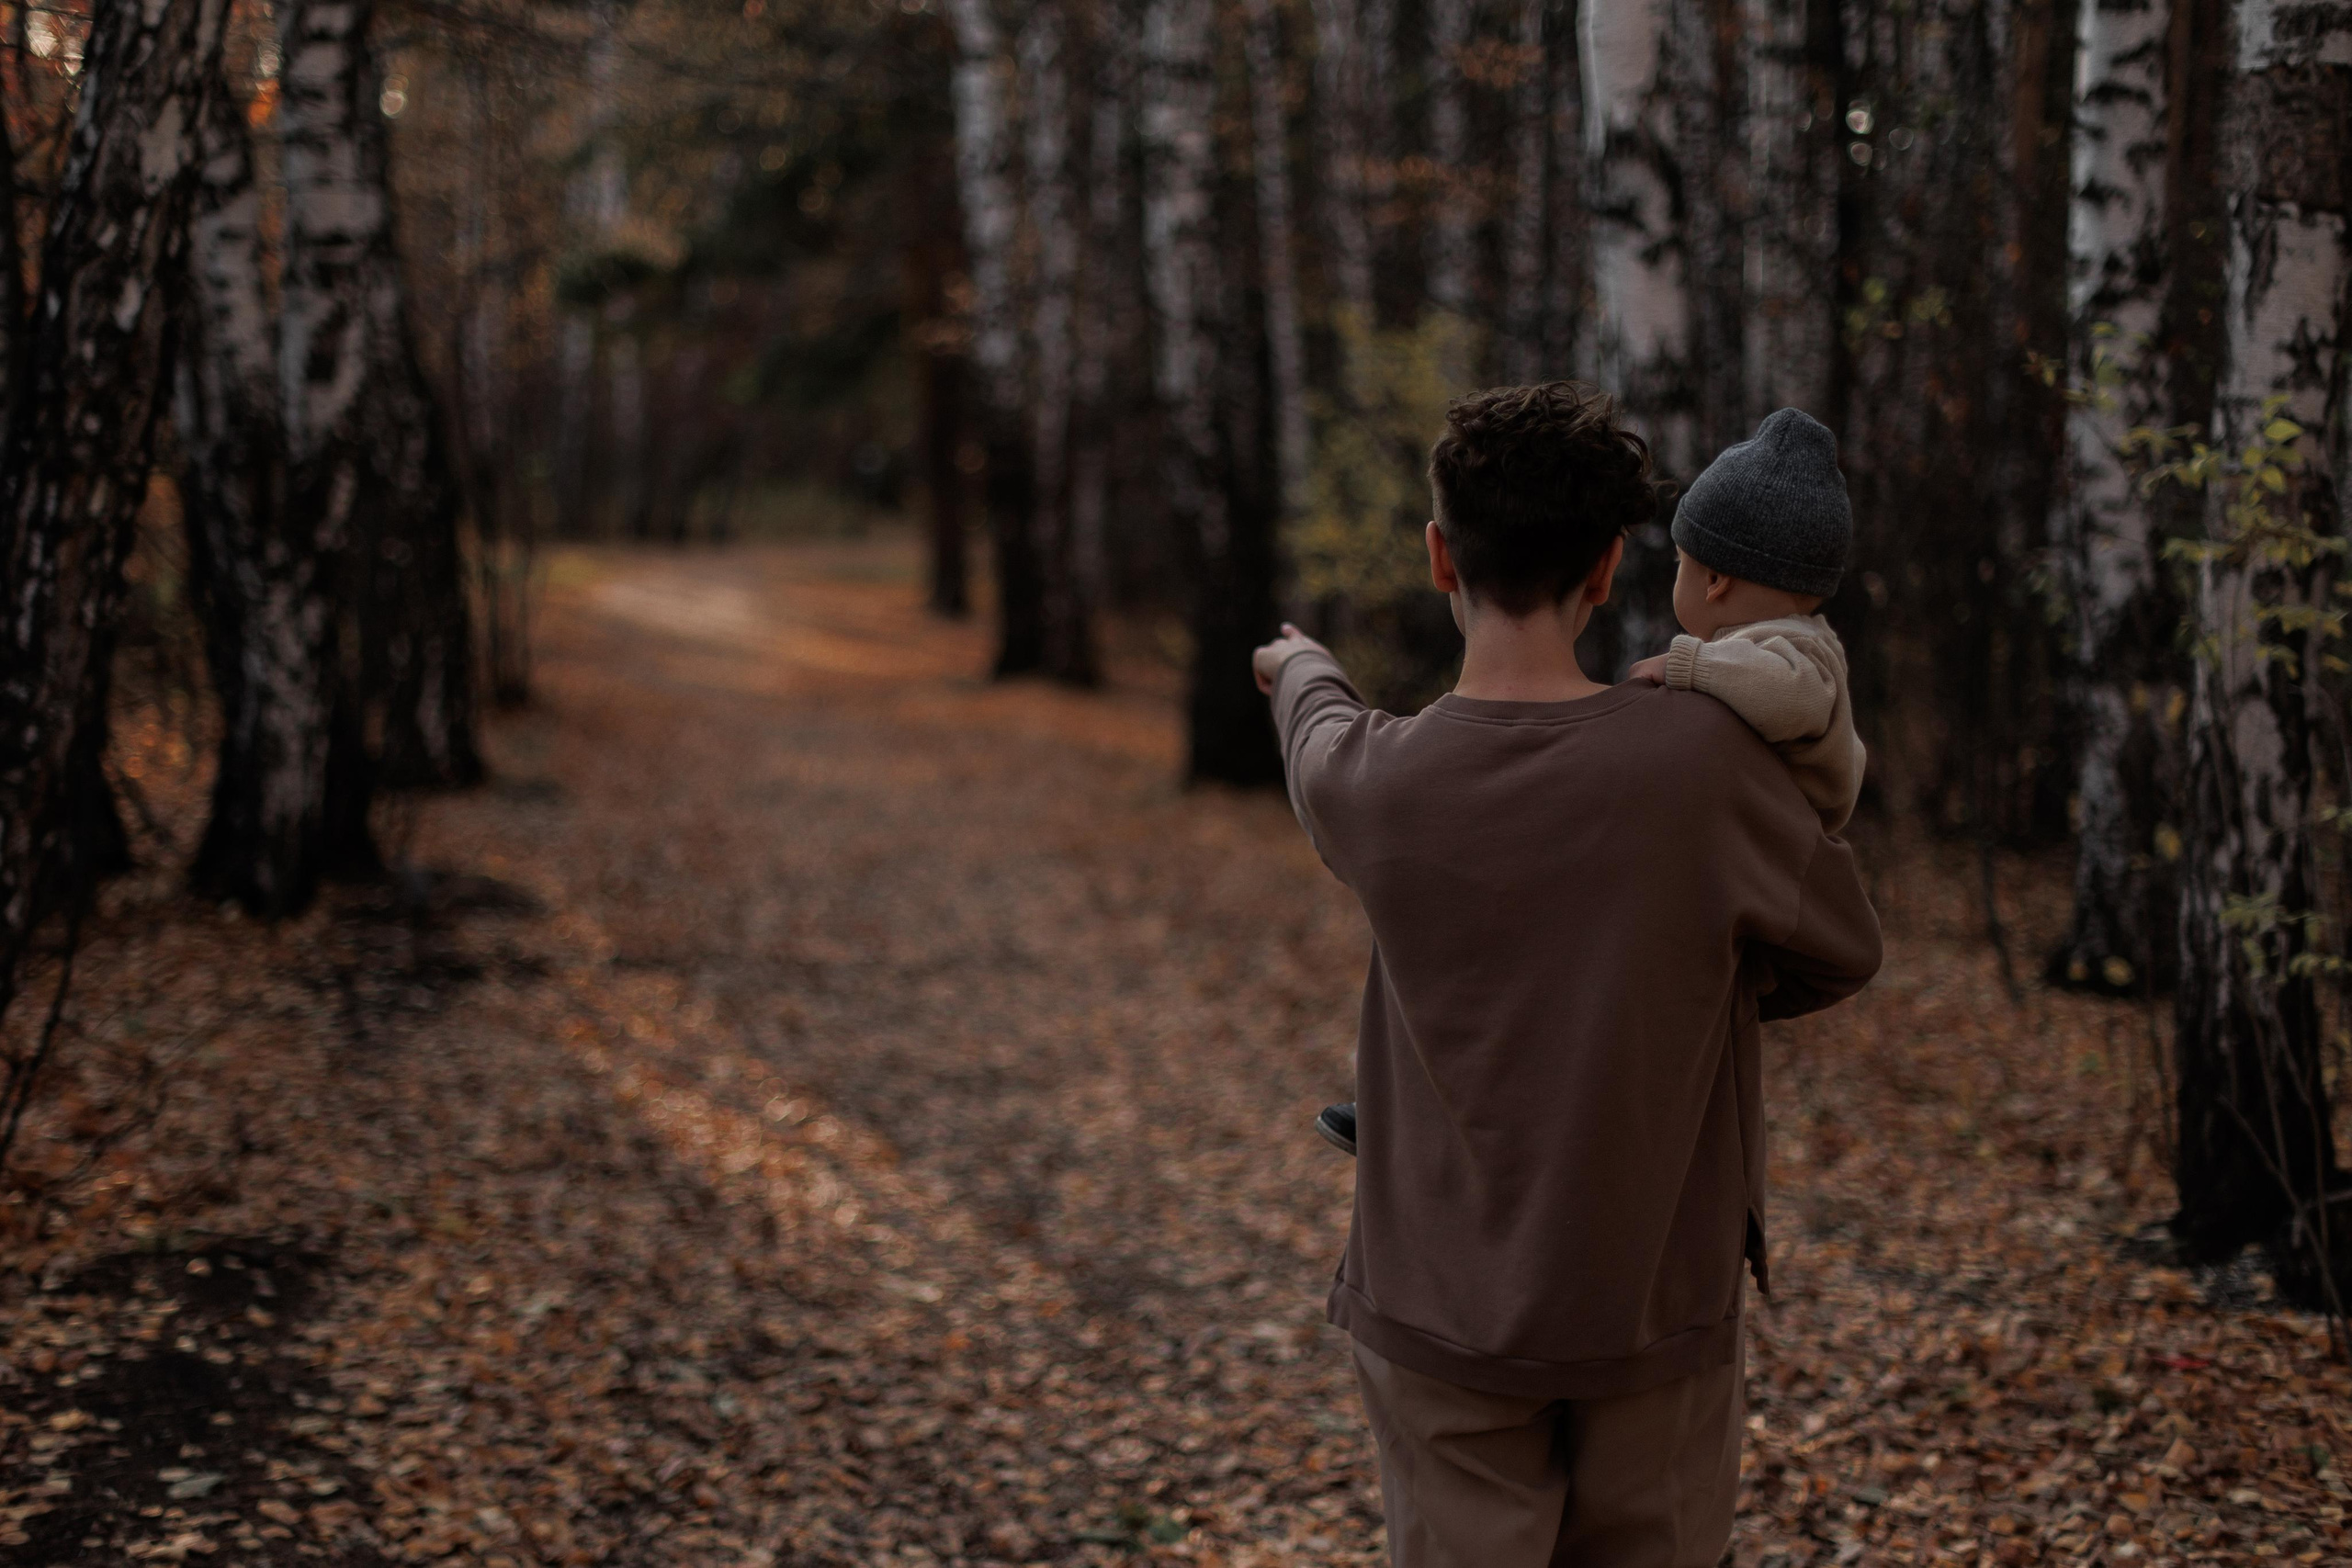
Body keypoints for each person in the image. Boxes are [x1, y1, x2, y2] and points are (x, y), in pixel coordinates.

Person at [1251, 381, 1882, 1568]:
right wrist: (1685, 986)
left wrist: (1296, 667)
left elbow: (1317, 734)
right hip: (1658, 1301)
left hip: (1440, 1309)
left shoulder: (1385, 782)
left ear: (1441, 554)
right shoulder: (1701, 759)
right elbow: (1841, 945)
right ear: (1608, 567)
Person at [1313, 404, 1866, 1161]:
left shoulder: (1765, 680)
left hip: (1761, 851)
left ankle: (1411, 1103)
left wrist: (1683, 666)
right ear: (1604, 569)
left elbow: (1320, 750)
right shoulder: (1729, 698)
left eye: (1680, 563)